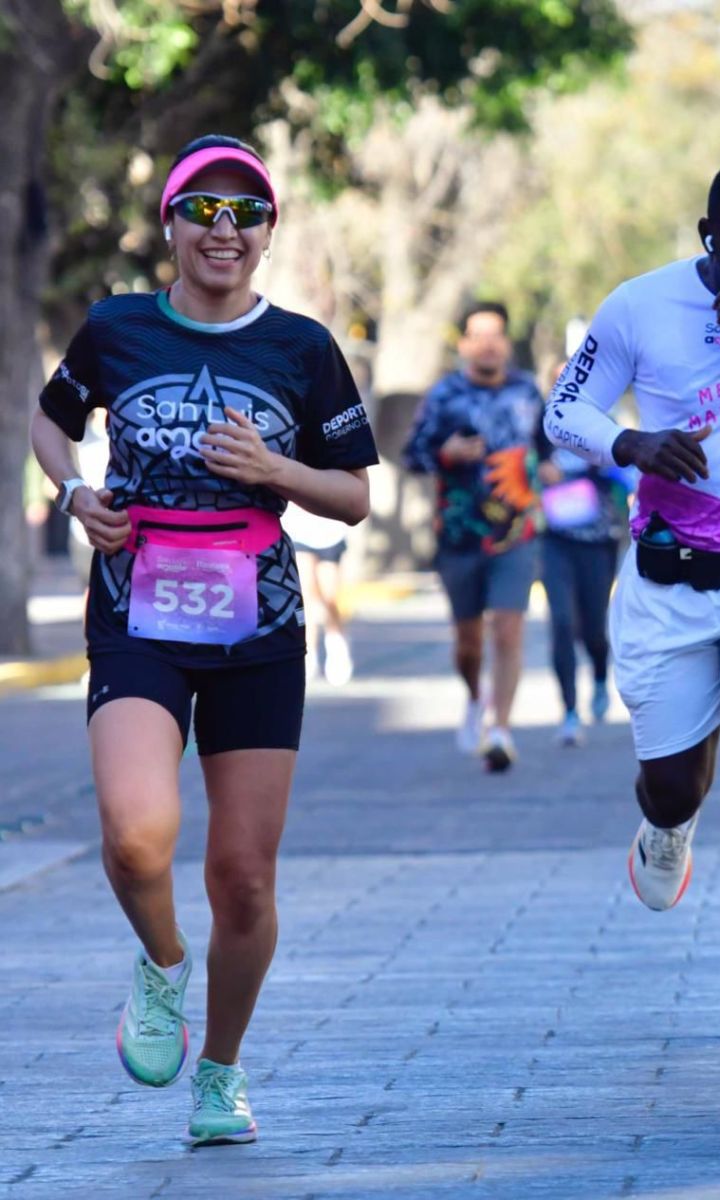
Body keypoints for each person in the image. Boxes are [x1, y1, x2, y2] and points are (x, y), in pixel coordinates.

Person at [29, 134, 378, 1146]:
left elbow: (354, 494)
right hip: (137, 609)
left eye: (247, 213)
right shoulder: (117, 328)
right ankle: (163, 964)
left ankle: (220, 1073)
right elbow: (50, 423)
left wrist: (276, 470)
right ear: (171, 224)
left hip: (258, 622)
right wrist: (75, 493)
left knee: (245, 877)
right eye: (203, 211)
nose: (225, 230)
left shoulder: (303, 347)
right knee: (136, 833)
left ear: (269, 231)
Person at [543, 160, 720, 1035]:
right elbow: (563, 411)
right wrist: (634, 443)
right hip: (669, 586)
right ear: (709, 237)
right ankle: (668, 826)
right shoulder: (641, 306)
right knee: (673, 783)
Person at [403, 301, 546, 772]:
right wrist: (446, 453)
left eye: (496, 334)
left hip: (516, 533)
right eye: (477, 335)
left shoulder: (528, 391)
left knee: (507, 628)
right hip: (459, 536)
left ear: (506, 342)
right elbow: (411, 454)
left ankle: (500, 729)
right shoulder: (445, 394)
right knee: (469, 642)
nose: (488, 344)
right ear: (463, 344)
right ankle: (473, 695)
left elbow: (547, 445)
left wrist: (548, 469)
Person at [538, 359, 633, 745]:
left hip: (598, 539)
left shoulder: (604, 422)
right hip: (552, 538)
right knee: (561, 622)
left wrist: (601, 466)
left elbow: (629, 473)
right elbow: (520, 462)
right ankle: (569, 711)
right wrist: (539, 470)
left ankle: (598, 673)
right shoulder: (540, 426)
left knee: (593, 626)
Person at [281, 506, 355, 685]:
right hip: (299, 532)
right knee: (306, 596)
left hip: (330, 534)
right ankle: (309, 652)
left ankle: (337, 644)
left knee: (330, 596)